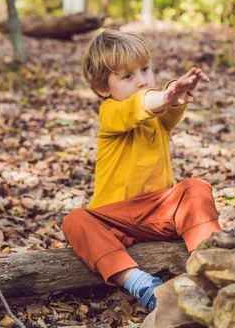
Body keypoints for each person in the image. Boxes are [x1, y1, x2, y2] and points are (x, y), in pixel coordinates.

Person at [62, 29, 222, 312]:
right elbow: (142, 105)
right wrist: (163, 96)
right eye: (127, 76)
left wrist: (174, 93)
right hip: (114, 219)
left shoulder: (159, 113)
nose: (142, 81)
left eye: (145, 70)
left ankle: (209, 267)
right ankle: (138, 282)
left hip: (159, 212)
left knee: (196, 188)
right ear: (102, 88)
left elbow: (165, 104)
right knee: (75, 220)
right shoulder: (111, 112)